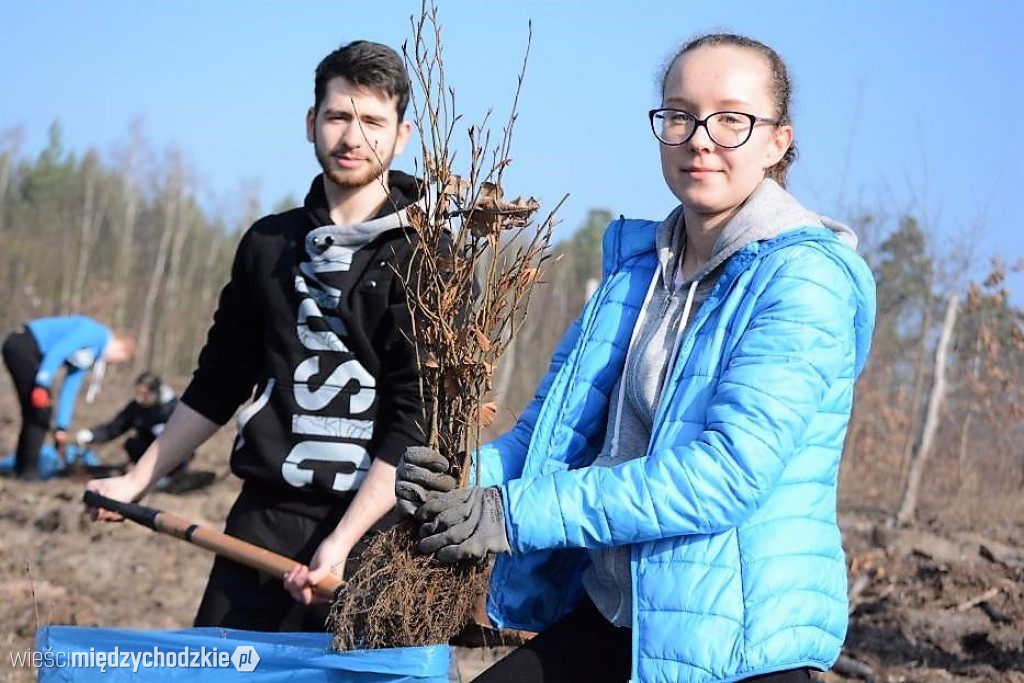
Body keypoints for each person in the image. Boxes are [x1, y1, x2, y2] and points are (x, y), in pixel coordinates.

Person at [397, 33, 877, 683]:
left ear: (777, 142)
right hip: (622, 614)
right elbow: (543, 442)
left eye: (732, 119)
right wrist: (460, 476)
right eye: (680, 115)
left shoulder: (804, 281)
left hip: (735, 647)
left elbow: (725, 473)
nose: (700, 138)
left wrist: (510, 513)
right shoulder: (634, 274)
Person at [87, 40, 427, 632]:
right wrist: (136, 479)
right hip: (264, 518)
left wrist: (343, 543)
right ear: (311, 123)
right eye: (338, 116)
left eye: (372, 121)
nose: (352, 138)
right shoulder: (268, 246)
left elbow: (415, 419)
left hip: (375, 538)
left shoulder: (428, 262)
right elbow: (218, 383)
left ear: (401, 135)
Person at [2, 315, 134, 480]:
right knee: (40, 412)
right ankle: (27, 472)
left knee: (37, 413)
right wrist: (42, 384)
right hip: (22, 344)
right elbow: (57, 351)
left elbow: (70, 388)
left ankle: (22, 469)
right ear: (120, 348)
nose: (114, 363)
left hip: (29, 353)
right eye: (119, 360)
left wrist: (61, 428)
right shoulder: (95, 334)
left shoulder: (90, 354)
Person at [76, 371, 194, 486]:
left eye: (145, 394)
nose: (139, 399)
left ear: (155, 392)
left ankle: (169, 477)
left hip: (173, 456)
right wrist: (91, 435)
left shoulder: (175, 409)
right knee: (132, 444)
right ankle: (147, 476)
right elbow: (114, 428)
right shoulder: (136, 408)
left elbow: (188, 440)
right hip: (148, 451)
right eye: (138, 393)